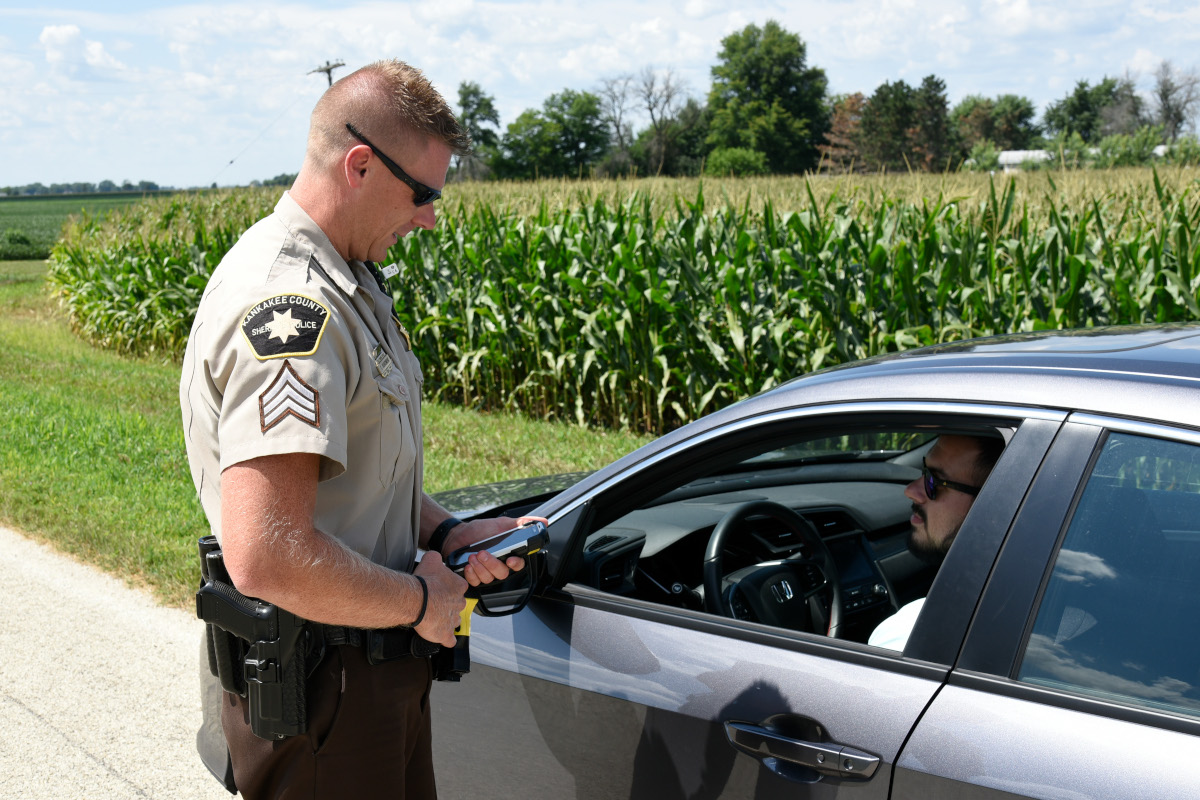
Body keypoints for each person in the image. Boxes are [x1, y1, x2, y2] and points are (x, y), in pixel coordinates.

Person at [180, 59, 535, 798]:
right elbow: (268, 554)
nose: (430, 217)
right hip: (324, 693)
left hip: (367, 671)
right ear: (361, 166)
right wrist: (422, 603)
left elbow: (360, 470)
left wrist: (446, 533)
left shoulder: (350, 279)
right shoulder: (291, 308)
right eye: (423, 193)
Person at [868, 434, 1003, 651]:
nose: (911, 491)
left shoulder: (909, 636)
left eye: (935, 481)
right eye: (924, 472)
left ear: (991, 504)